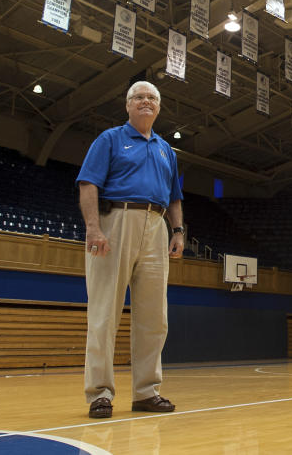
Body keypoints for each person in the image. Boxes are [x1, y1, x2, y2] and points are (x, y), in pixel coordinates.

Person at [77, 80, 186, 419]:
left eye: (151, 98)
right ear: (127, 105)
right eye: (138, 97)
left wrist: (179, 230)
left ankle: (146, 392)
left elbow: (173, 196)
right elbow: (88, 183)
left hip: (157, 226)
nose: (145, 102)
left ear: (158, 107)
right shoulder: (109, 139)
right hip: (116, 221)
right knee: (105, 312)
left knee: (155, 317)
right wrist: (94, 228)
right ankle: (99, 393)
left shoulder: (167, 149)